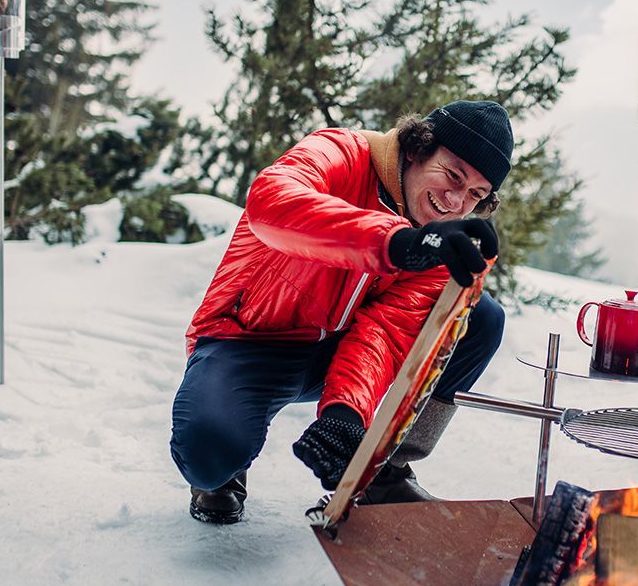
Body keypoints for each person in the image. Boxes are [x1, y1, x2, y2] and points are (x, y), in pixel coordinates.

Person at [170, 100, 514, 524]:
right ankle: (223, 473)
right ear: (416, 149)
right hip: (247, 340)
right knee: (210, 454)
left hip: (331, 349)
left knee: (479, 316)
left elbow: (384, 332)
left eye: (475, 195)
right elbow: (271, 204)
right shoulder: (339, 152)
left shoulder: (435, 244)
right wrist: (396, 243)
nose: (456, 200)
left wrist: (344, 415)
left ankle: (383, 466)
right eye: (453, 175)